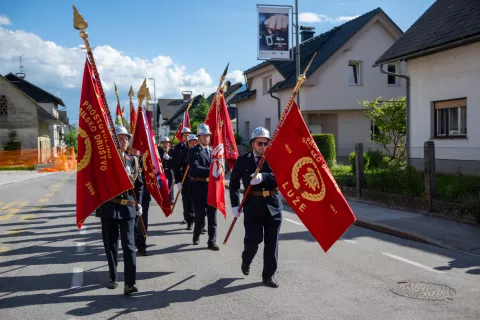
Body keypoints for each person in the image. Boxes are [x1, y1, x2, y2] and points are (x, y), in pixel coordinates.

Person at [229, 127, 282, 288]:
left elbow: (281, 177)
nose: (263, 146)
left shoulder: (274, 158)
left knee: (272, 243)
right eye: (260, 143)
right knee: (253, 240)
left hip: (273, 205)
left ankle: (269, 275)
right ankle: (246, 259)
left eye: (266, 143)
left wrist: (263, 177)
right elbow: (233, 184)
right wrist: (234, 204)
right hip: (252, 206)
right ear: (253, 143)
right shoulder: (243, 160)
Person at [95, 125, 144, 295]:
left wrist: (139, 204)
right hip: (109, 207)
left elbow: (139, 185)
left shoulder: (133, 160)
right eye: (119, 138)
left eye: (125, 138)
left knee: (129, 246)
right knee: (111, 244)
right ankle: (113, 277)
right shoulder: (104, 161)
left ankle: (129, 283)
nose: (123, 141)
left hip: (128, 208)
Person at [187, 123, 219, 251]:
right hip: (198, 187)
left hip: (211, 188)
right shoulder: (193, 151)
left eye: (208, 136)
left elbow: (220, 166)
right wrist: (212, 170)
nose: (207, 138)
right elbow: (195, 168)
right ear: (199, 137)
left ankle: (212, 241)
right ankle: (196, 234)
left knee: (212, 216)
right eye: (204, 136)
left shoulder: (213, 151)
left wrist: (220, 169)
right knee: (200, 217)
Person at [174, 133, 198, 230]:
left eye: (195, 142)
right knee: (187, 201)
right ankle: (189, 220)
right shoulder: (183, 153)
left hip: (197, 181)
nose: (194, 144)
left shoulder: (199, 152)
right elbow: (176, 168)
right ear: (188, 143)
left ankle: (199, 222)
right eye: (192, 143)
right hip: (186, 180)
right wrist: (178, 181)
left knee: (197, 202)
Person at [132, 148, 151, 257]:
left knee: (143, 221)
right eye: (134, 147)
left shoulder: (146, 160)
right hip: (131, 197)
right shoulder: (127, 159)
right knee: (133, 223)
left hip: (144, 196)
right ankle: (133, 242)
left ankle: (142, 246)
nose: (136, 150)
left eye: (138, 148)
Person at [173, 127, 191, 223]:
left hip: (195, 178)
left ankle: (196, 220)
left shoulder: (194, 146)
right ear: (182, 137)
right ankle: (187, 216)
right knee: (186, 199)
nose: (187, 137)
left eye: (188, 135)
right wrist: (178, 181)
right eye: (185, 135)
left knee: (195, 200)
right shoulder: (177, 148)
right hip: (185, 178)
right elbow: (176, 167)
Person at [158, 136, 175, 204]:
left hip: (170, 169)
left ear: (169, 143)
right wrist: (162, 156)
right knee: (162, 184)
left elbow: (174, 159)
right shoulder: (160, 150)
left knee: (171, 183)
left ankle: (171, 198)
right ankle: (163, 198)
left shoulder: (172, 150)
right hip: (163, 170)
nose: (165, 144)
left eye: (167, 143)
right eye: (164, 143)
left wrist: (169, 158)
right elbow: (158, 158)